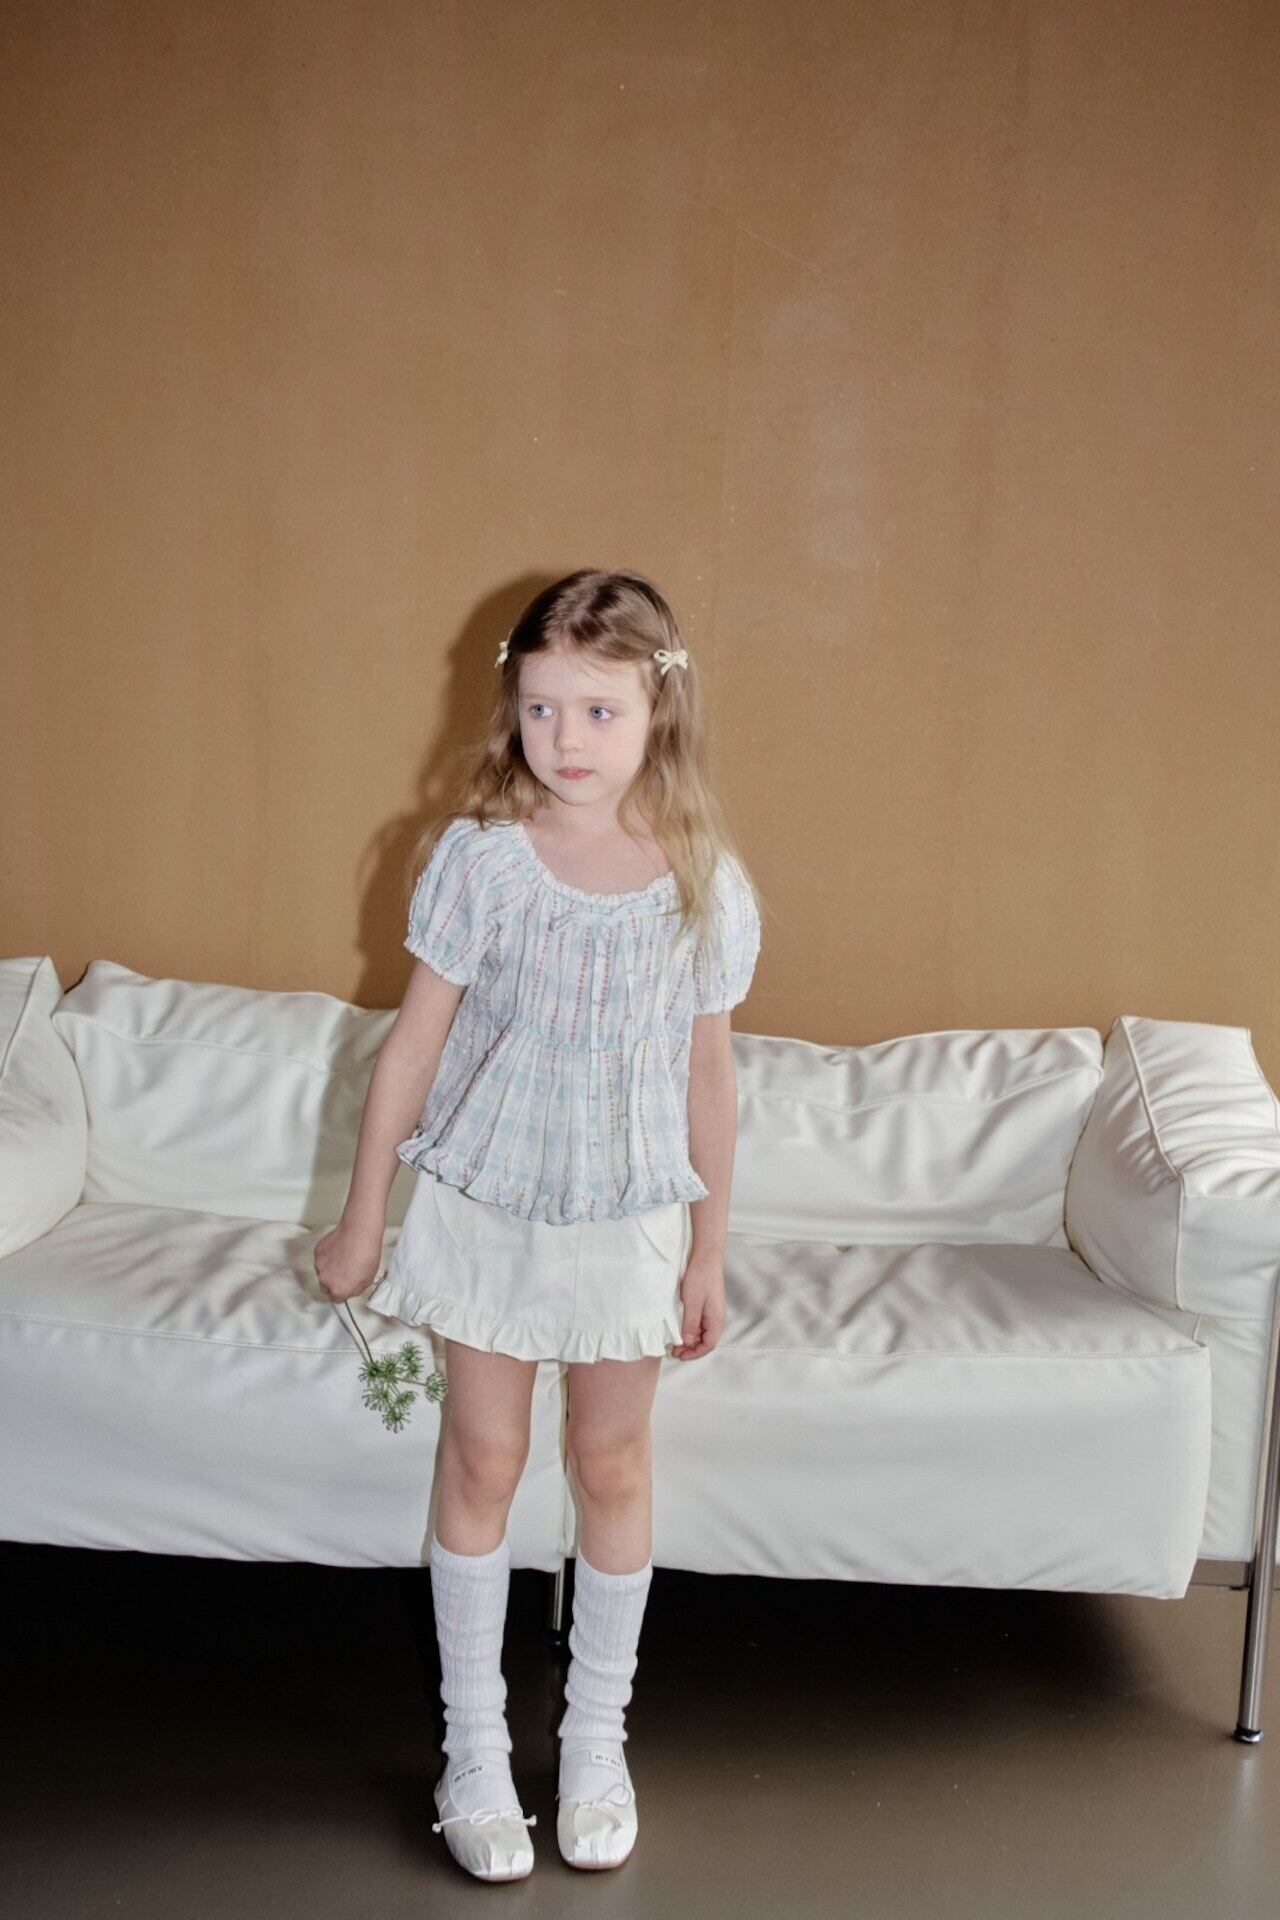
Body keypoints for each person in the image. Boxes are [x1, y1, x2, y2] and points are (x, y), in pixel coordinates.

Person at [315, 568, 763, 1881]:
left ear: (659, 712)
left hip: (631, 1213)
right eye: (542, 709)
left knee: (612, 1465)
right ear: (510, 708)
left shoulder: (701, 881)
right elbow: (411, 1050)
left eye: (599, 711)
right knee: (483, 1458)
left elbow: (710, 1078)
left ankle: (595, 1742)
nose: (567, 740)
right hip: (484, 1205)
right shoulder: (481, 862)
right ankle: (471, 1747)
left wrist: (710, 1248)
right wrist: (363, 1216)